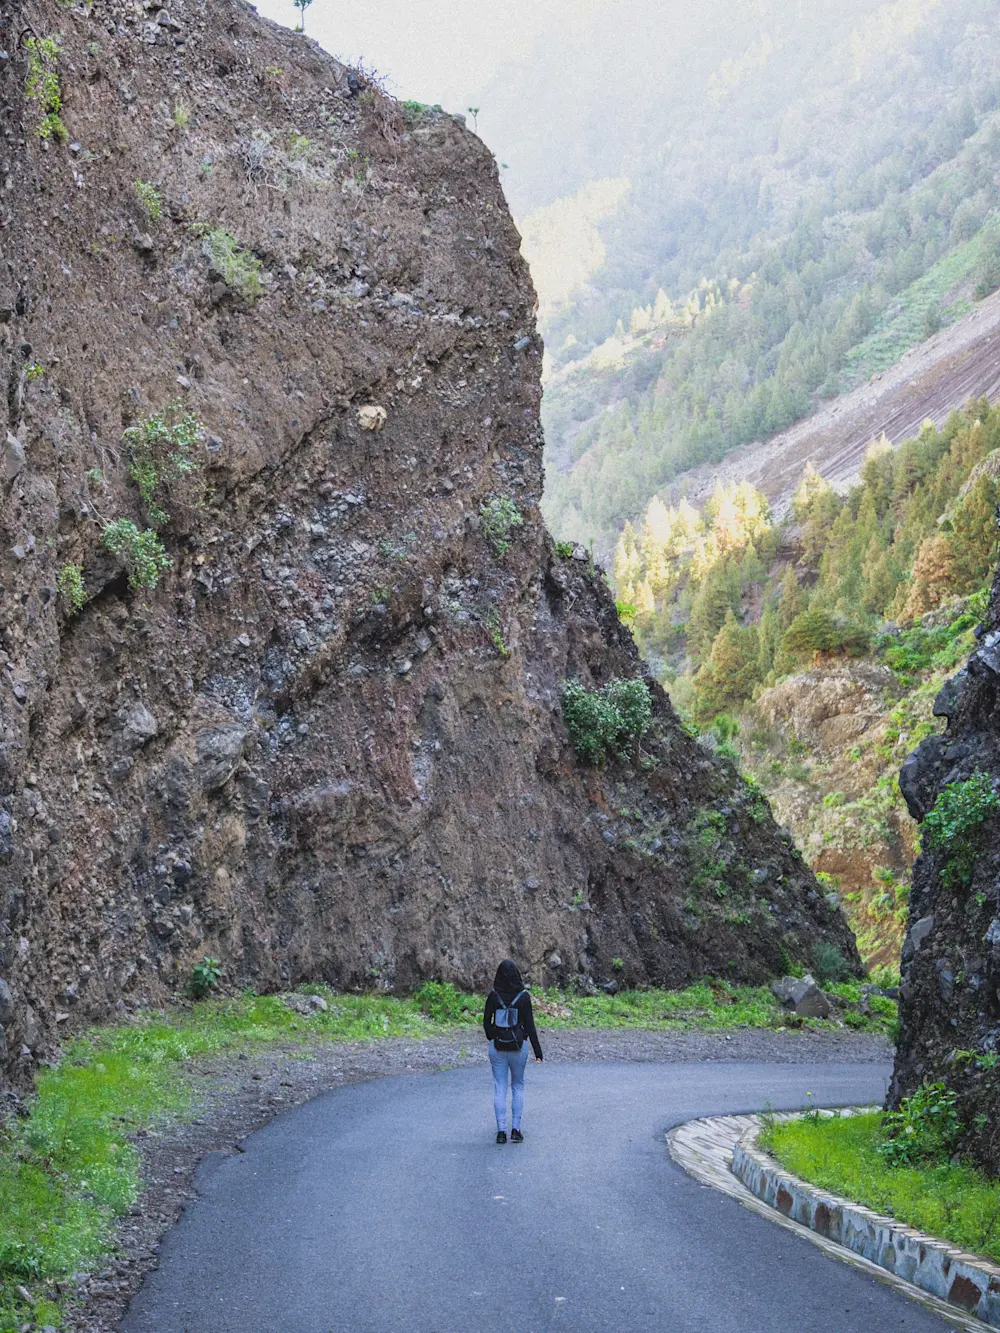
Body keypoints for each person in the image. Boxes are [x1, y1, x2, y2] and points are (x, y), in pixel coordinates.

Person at [483, 959, 543, 1144]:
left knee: (499, 1087)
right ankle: (516, 1129)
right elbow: (530, 1026)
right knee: (518, 1086)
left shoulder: (493, 996)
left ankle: (501, 1131)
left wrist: (493, 1036)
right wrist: (538, 1051)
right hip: (518, 1047)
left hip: (498, 1046)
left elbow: (486, 1023)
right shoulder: (523, 997)